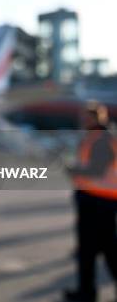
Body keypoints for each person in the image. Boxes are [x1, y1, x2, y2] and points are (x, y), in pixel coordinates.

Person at [65, 101, 117, 302]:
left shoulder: (102, 139)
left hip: (100, 202)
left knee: (107, 250)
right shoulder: (93, 137)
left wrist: (73, 170)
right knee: (89, 250)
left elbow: (97, 170)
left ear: (96, 118)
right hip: (93, 199)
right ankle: (85, 292)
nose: (83, 120)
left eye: (86, 117)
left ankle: (86, 293)